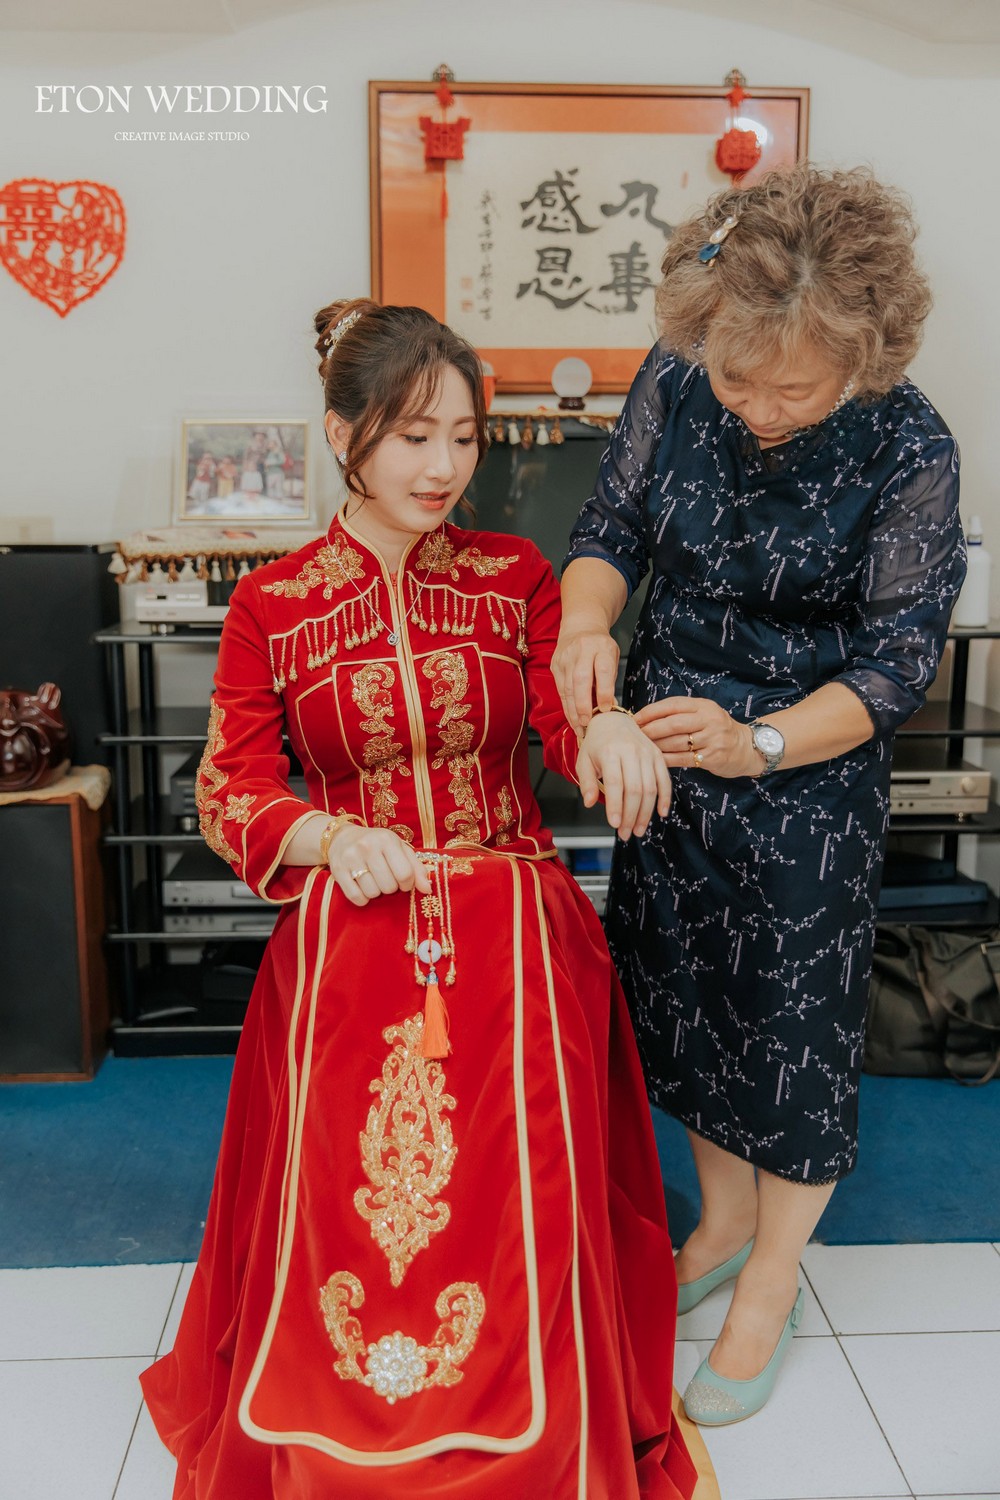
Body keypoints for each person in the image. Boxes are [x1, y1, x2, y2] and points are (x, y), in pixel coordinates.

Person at [141, 298, 697, 1500]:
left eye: (464, 436)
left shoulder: (515, 581)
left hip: (515, 936)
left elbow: (559, 721)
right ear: (344, 435)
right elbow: (228, 790)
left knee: (522, 1210)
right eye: (412, 438)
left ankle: (538, 1427)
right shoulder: (274, 606)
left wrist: (607, 737)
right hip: (350, 945)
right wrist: (328, 833)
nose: (446, 467)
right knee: (361, 1218)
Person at [554, 163, 965, 1426]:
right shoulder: (677, 382)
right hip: (667, 760)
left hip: (803, 779)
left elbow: (896, 664)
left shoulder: (910, 444)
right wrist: (581, 628)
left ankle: (770, 1280)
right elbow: (610, 530)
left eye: (793, 386)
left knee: (789, 1045)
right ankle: (722, 1222)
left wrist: (760, 745)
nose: (758, 406)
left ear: (865, 356)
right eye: (739, 377)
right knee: (680, 1007)